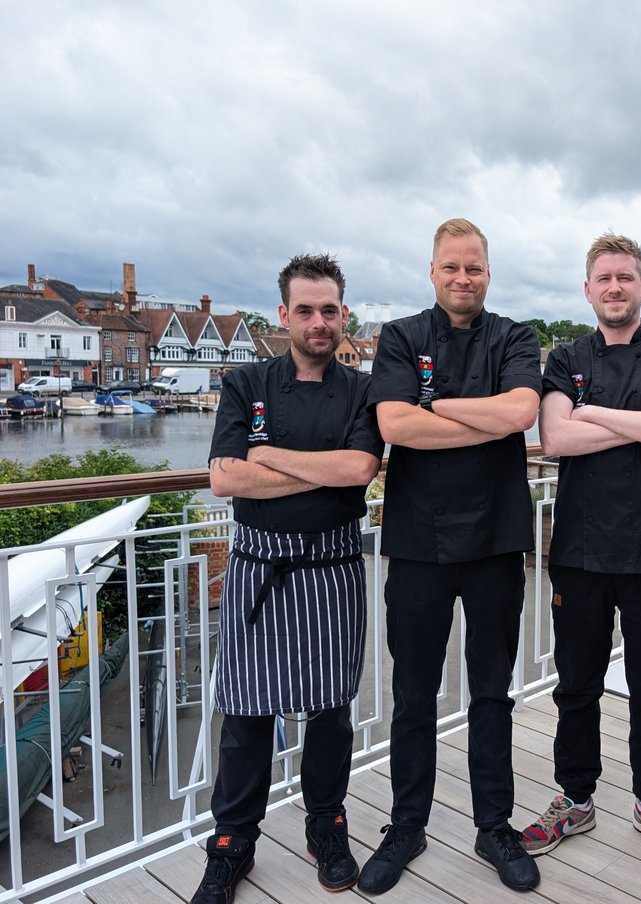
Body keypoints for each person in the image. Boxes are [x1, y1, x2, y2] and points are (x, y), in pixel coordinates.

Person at [194, 253, 384, 903]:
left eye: (329, 310)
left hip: (332, 567)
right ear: (284, 315)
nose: (318, 321)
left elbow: (359, 471)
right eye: (305, 310)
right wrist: (315, 465)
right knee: (246, 713)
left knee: (331, 712)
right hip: (257, 564)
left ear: (343, 314)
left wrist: (268, 454)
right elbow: (225, 477)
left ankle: (326, 826)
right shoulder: (246, 382)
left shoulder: (361, 390)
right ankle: (232, 844)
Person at [360, 218, 542, 894]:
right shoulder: (403, 336)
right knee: (412, 694)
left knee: (492, 692)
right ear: (432, 271)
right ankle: (407, 825)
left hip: (496, 539)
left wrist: (436, 407)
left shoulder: (515, 337)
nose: (463, 278)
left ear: (488, 273)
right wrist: (475, 414)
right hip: (416, 543)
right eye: (451, 268)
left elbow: (522, 413)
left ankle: (495, 825)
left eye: (475, 268)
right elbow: (395, 425)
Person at [521, 233, 641, 865]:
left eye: (625, 277)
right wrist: (639, 423)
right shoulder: (566, 356)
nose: (614, 287)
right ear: (587, 289)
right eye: (603, 277)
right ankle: (575, 800)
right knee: (577, 686)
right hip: (579, 549)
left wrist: (593, 413)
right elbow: (554, 439)